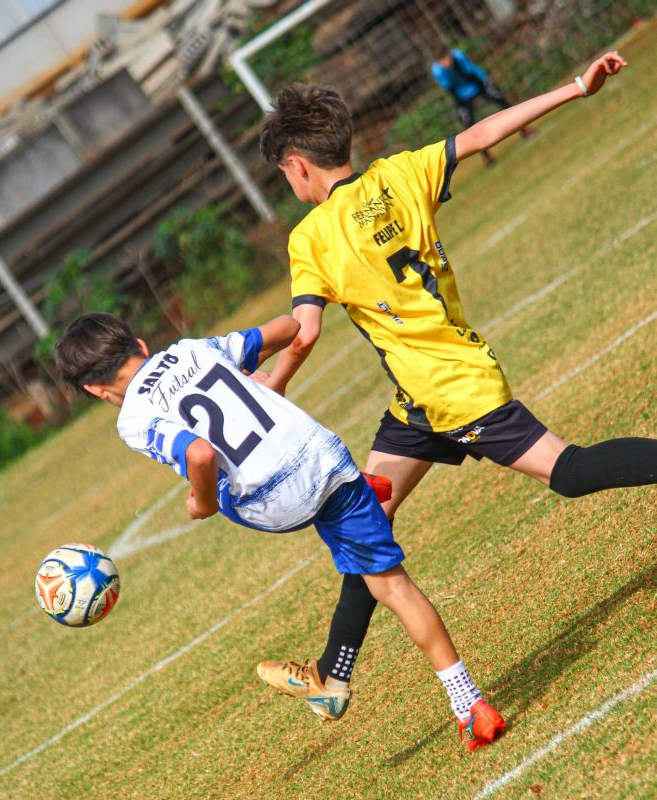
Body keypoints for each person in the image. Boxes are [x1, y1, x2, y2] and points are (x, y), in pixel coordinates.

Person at [254, 51, 657, 720]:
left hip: (455, 392)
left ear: (297, 167)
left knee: (572, 472)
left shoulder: (312, 236)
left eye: (283, 175)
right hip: (421, 400)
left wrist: (266, 389)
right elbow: (481, 134)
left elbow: (303, 333)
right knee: (367, 522)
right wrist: (573, 88)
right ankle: (332, 673)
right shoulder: (402, 173)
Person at [54, 311, 506, 751]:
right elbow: (292, 329)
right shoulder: (194, 349)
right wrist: (272, 376)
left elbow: (201, 456)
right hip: (324, 455)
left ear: (94, 388)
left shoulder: (132, 419)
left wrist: (204, 503)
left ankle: (331, 677)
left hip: (274, 501)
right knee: (393, 584)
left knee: (223, 489)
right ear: (140, 345)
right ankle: (470, 705)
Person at [431, 47, 534, 165]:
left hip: (477, 85)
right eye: (443, 61)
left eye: (447, 59)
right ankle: (486, 156)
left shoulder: (459, 56)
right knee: (468, 125)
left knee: (504, 103)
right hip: (461, 96)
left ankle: (524, 129)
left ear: (450, 54)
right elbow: (448, 87)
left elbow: (472, 70)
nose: (446, 62)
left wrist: (486, 82)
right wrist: (448, 72)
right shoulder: (437, 71)